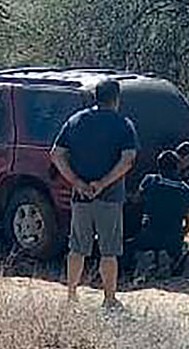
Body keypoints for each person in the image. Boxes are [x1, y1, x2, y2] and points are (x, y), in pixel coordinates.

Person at [50, 79, 139, 311]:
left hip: (81, 197)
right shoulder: (123, 124)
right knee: (109, 251)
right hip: (109, 198)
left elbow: (57, 154)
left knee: (77, 248)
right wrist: (103, 183)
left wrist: (77, 182)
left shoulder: (76, 120)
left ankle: (71, 295)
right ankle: (109, 298)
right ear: (116, 98)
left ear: (95, 97)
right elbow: (128, 160)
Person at [134, 150, 189, 275]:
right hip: (173, 238)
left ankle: (147, 261)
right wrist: (183, 232)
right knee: (187, 245)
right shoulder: (186, 191)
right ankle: (170, 261)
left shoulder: (149, 181)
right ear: (178, 167)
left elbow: (136, 200)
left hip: (148, 235)